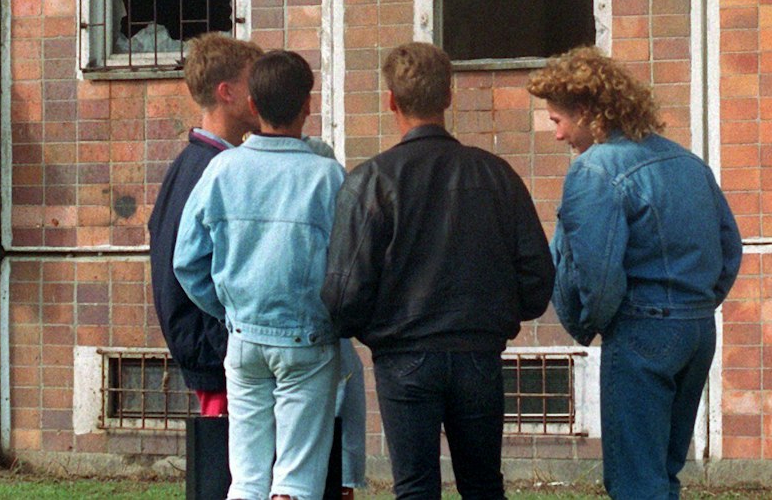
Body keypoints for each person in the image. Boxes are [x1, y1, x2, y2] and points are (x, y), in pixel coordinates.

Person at [323, 42, 554, 500]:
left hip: (403, 356)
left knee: (414, 488)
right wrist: (498, 314)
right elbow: (537, 277)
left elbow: (344, 294)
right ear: (449, 96)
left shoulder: (371, 181)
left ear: (391, 100)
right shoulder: (497, 175)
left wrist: (373, 330)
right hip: (478, 352)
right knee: (484, 485)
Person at [526, 47, 741, 500]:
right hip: (697, 328)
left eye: (557, 121)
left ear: (585, 112)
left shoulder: (594, 170)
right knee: (663, 472)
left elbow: (598, 275)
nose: (557, 135)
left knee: (634, 481)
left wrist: (592, 324)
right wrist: (695, 304)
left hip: (643, 330)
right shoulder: (687, 161)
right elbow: (729, 248)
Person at [176, 50, 346, 500]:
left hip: (243, 337)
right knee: (297, 477)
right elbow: (350, 265)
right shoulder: (328, 177)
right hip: (308, 338)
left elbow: (186, 262)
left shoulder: (221, 169)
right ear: (307, 105)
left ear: (252, 106)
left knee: (247, 477)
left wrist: (229, 309)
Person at [149, 34, 263, 420]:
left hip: (213, 353)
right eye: (254, 83)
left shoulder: (194, 163)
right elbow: (185, 268)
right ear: (227, 92)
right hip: (218, 359)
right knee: (234, 472)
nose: (262, 93)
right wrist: (227, 340)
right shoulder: (211, 170)